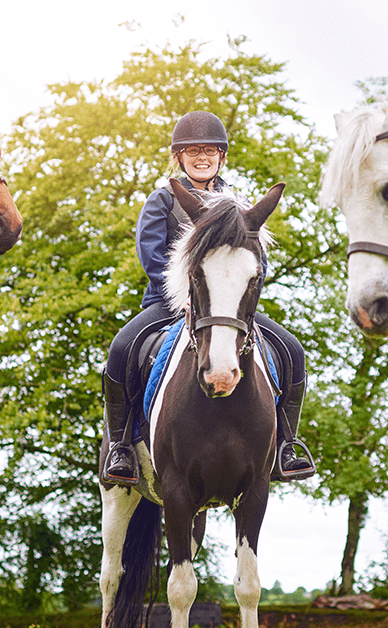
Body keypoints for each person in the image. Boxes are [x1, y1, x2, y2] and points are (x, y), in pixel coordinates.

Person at [101, 111, 315, 485]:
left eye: (211, 151)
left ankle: (286, 445)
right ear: (179, 157)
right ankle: (121, 446)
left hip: (227, 311)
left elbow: (255, 257)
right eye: (193, 150)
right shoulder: (162, 201)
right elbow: (151, 255)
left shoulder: (238, 205)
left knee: (293, 351)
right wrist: (183, 295)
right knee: (121, 349)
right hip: (169, 305)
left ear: (222, 157)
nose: (203, 157)